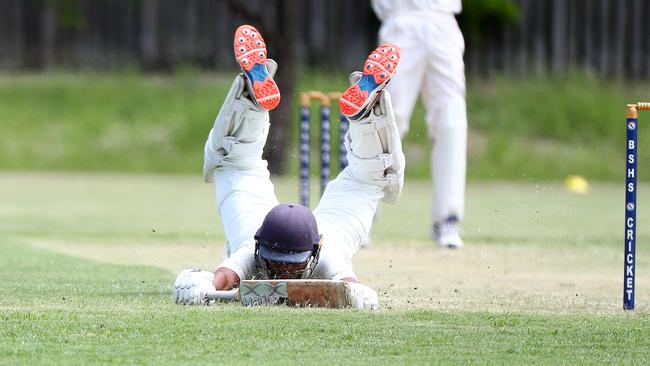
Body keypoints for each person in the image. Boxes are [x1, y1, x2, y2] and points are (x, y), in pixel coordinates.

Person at [172, 25, 405, 310]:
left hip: (311, 232)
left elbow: (349, 286)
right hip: (292, 227)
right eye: (277, 265)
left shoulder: (323, 253)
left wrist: (359, 295)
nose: (282, 276)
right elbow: (222, 277)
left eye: (290, 268)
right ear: (259, 246)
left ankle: (251, 101)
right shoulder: (253, 250)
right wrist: (202, 284)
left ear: (314, 252)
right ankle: (367, 115)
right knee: (369, 181)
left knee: (232, 164)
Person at [371, 0, 468, 248]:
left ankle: (447, 218)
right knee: (389, 118)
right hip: (401, 19)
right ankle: (365, 212)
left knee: (451, 120)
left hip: (443, 20)